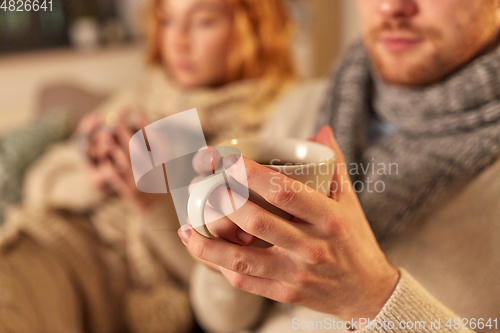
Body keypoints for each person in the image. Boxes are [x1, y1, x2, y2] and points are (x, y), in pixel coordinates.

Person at [0, 0, 326, 332]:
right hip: (57, 242)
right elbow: (39, 183)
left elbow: (226, 284)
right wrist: (95, 177)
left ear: (253, 30)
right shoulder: (140, 102)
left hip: (112, 281)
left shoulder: (273, 131)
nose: (178, 41)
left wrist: (152, 203)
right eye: (168, 21)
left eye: (202, 22)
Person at [182, 0, 500, 332]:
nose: (391, 7)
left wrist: (373, 300)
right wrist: (224, 255)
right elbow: (222, 321)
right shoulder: (300, 108)